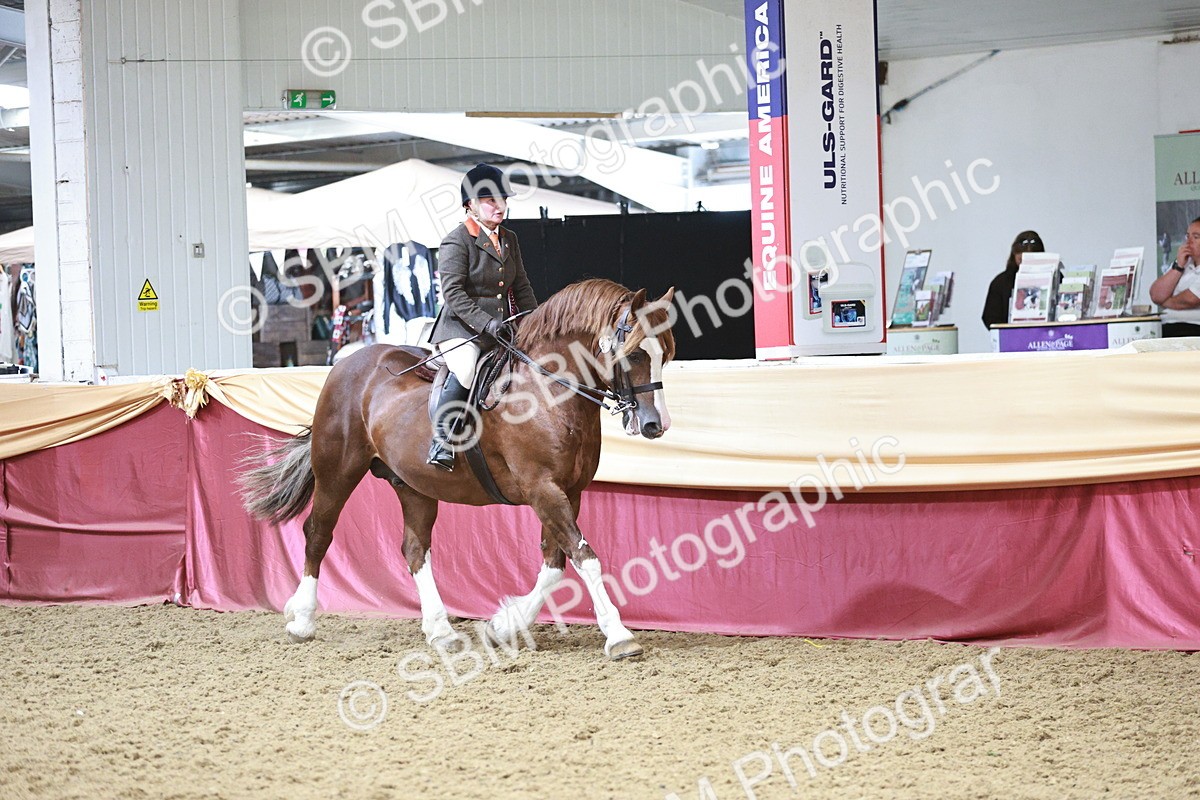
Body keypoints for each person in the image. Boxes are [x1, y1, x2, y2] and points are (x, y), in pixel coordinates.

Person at [426, 163, 538, 471]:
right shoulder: (456, 241)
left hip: (501, 328)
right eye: (491, 200)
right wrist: (485, 322)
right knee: (465, 371)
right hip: (462, 329)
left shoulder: (509, 239)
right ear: (470, 206)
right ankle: (442, 441)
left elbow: (522, 285)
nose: (500, 206)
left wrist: (536, 323)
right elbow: (453, 294)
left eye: (503, 199)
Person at [982, 230, 1044, 328]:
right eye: (1021, 259)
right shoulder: (1000, 282)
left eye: (1030, 259)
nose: (1026, 263)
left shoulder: (1055, 277)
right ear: (1014, 256)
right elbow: (990, 317)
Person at [1149, 216, 1200, 338]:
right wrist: (1179, 266)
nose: (1189, 242)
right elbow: (1155, 294)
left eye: (1196, 237)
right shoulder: (1183, 263)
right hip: (1167, 327)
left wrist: (1165, 301)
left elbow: (1191, 299)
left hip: (1193, 330)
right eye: (1188, 236)